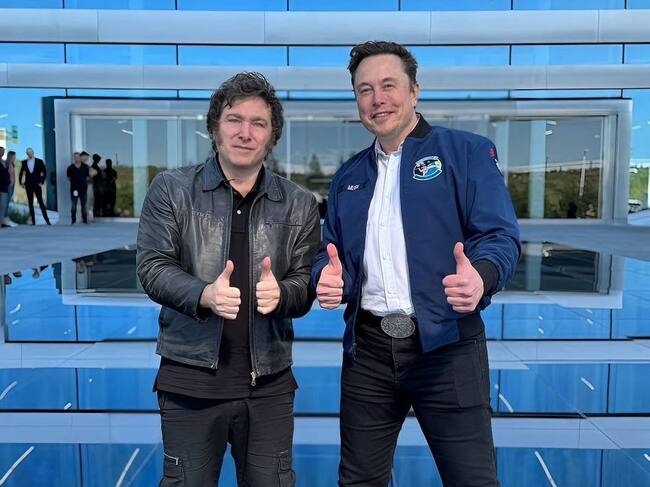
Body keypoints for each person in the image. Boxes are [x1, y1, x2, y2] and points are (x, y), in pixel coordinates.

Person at [311, 41, 521, 487]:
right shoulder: (349, 176)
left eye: (389, 85)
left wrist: (481, 276)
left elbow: (499, 237)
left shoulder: (465, 152)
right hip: (368, 353)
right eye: (365, 90)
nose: (377, 99)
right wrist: (323, 278)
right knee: (358, 481)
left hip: (447, 346)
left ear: (414, 92)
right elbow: (327, 252)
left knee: (472, 481)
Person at [136, 72, 320, 487]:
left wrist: (284, 293)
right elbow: (152, 267)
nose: (245, 132)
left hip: (269, 386)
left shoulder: (299, 203)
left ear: (272, 136)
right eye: (234, 119)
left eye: (258, 123)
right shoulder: (171, 189)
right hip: (189, 381)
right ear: (215, 127)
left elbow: (305, 282)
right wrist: (203, 294)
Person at [19, 147, 50, 225]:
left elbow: (44, 171)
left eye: (31, 152)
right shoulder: (24, 162)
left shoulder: (39, 161)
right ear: (27, 154)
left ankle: (47, 220)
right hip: (28, 184)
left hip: (37, 184)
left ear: (33, 152)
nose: (30, 154)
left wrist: (42, 182)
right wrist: (20, 182)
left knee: (41, 202)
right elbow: (21, 172)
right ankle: (33, 221)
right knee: (30, 203)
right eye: (28, 153)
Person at [67, 151, 90, 224]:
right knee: (74, 205)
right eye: (75, 157)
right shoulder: (70, 168)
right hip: (74, 189)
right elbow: (68, 177)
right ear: (74, 158)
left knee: (84, 206)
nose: (77, 158)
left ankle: (85, 221)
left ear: (80, 158)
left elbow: (88, 177)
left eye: (78, 157)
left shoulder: (85, 167)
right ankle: (73, 221)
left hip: (83, 189)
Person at [2, 150, 16, 226]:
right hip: (9, 186)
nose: (15, 157)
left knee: (7, 202)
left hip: (11, 186)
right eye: (14, 156)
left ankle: (5, 219)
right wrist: (10, 184)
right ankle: (4, 219)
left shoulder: (11, 164)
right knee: (6, 203)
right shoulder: (8, 164)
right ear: (11, 156)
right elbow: (9, 176)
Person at [90, 153, 105, 217]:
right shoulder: (94, 166)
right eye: (98, 159)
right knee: (97, 199)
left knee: (98, 199)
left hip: (97, 185)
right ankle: (96, 212)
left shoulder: (95, 166)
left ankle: (97, 211)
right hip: (96, 185)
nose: (99, 160)